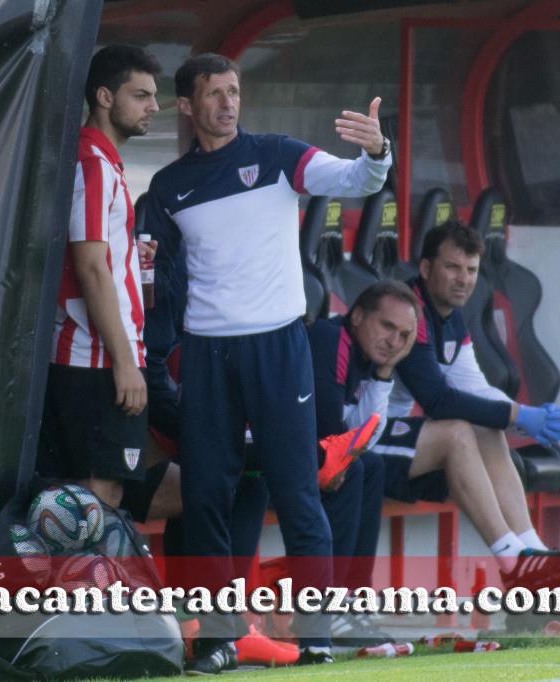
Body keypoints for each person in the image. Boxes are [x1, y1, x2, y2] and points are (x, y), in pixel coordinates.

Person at [144, 52, 392, 673]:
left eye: (234, 91)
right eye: (214, 93)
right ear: (186, 106)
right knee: (205, 497)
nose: (228, 103)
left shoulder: (279, 155)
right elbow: (152, 280)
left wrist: (376, 152)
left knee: (296, 490)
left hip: (279, 349)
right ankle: (219, 637)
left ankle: (316, 639)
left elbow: (357, 182)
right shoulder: (168, 187)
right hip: (205, 356)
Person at [374, 220, 560, 583]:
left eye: (471, 270)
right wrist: (519, 414)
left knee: (486, 424)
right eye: (451, 267)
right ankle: (513, 562)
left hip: (395, 442)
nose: (462, 278)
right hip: (358, 443)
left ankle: (531, 549)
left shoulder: (452, 318)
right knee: (457, 432)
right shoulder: (408, 311)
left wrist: (517, 416)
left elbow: (474, 389)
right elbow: (438, 401)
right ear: (426, 268)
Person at [37, 45, 161, 509]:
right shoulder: (92, 163)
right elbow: (90, 267)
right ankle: (89, 584)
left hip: (96, 355)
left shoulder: (102, 162)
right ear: (105, 97)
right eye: (141, 95)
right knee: (99, 494)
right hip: (95, 359)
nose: (153, 106)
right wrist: (124, 363)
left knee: (95, 493)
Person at [305, 280, 417, 646]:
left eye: (404, 336)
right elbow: (327, 433)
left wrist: (386, 373)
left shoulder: (365, 357)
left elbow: (364, 437)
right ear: (356, 316)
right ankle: (327, 606)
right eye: (387, 327)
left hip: (298, 454)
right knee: (352, 469)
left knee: (371, 466)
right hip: (258, 452)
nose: (394, 341)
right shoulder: (331, 338)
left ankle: (350, 600)